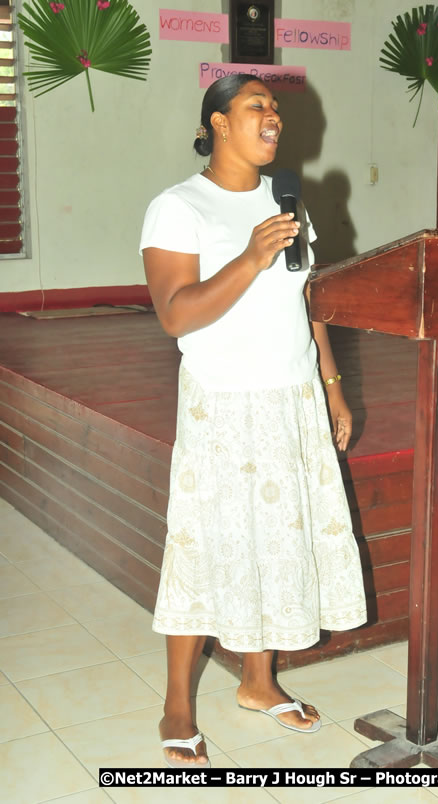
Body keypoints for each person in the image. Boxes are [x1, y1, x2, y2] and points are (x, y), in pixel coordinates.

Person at [140, 74, 367, 769]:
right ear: (216, 123)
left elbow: (311, 304)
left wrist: (331, 387)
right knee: (208, 542)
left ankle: (258, 681)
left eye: (275, 107)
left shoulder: (288, 201)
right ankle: (178, 702)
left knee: (277, 537)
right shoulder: (178, 208)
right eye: (254, 106)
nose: (272, 117)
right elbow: (176, 314)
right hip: (223, 400)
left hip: (291, 396)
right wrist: (250, 256)